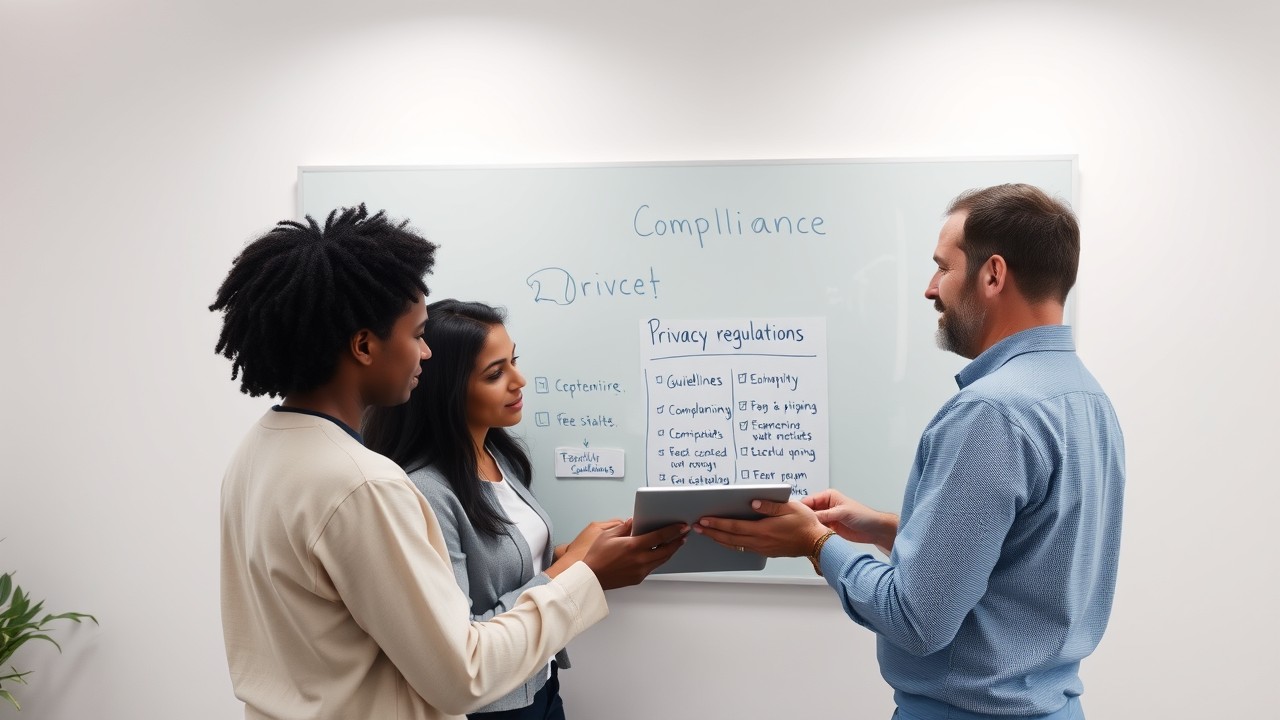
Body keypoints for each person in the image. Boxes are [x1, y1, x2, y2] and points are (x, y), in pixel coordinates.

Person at [210, 206, 686, 720]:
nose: (427, 355)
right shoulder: (364, 485)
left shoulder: (257, 450)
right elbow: (465, 673)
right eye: (416, 335)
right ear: (365, 345)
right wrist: (583, 576)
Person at [696, 184, 1125, 720]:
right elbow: (1021, 558)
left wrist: (815, 543)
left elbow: (917, 619)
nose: (930, 289)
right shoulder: (1085, 396)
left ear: (992, 275)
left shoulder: (992, 412)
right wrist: (882, 528)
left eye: (942, 268)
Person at [363, 299, 619, 720]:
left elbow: (510, 564)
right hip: (495, 707)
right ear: (447, 388)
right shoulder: (426, 492)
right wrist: (574, 570)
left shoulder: (499, 456)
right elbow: (463, 635)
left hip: (541, 681)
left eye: (514, 361)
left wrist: (585, 551)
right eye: (496, 373)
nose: (519, 381)